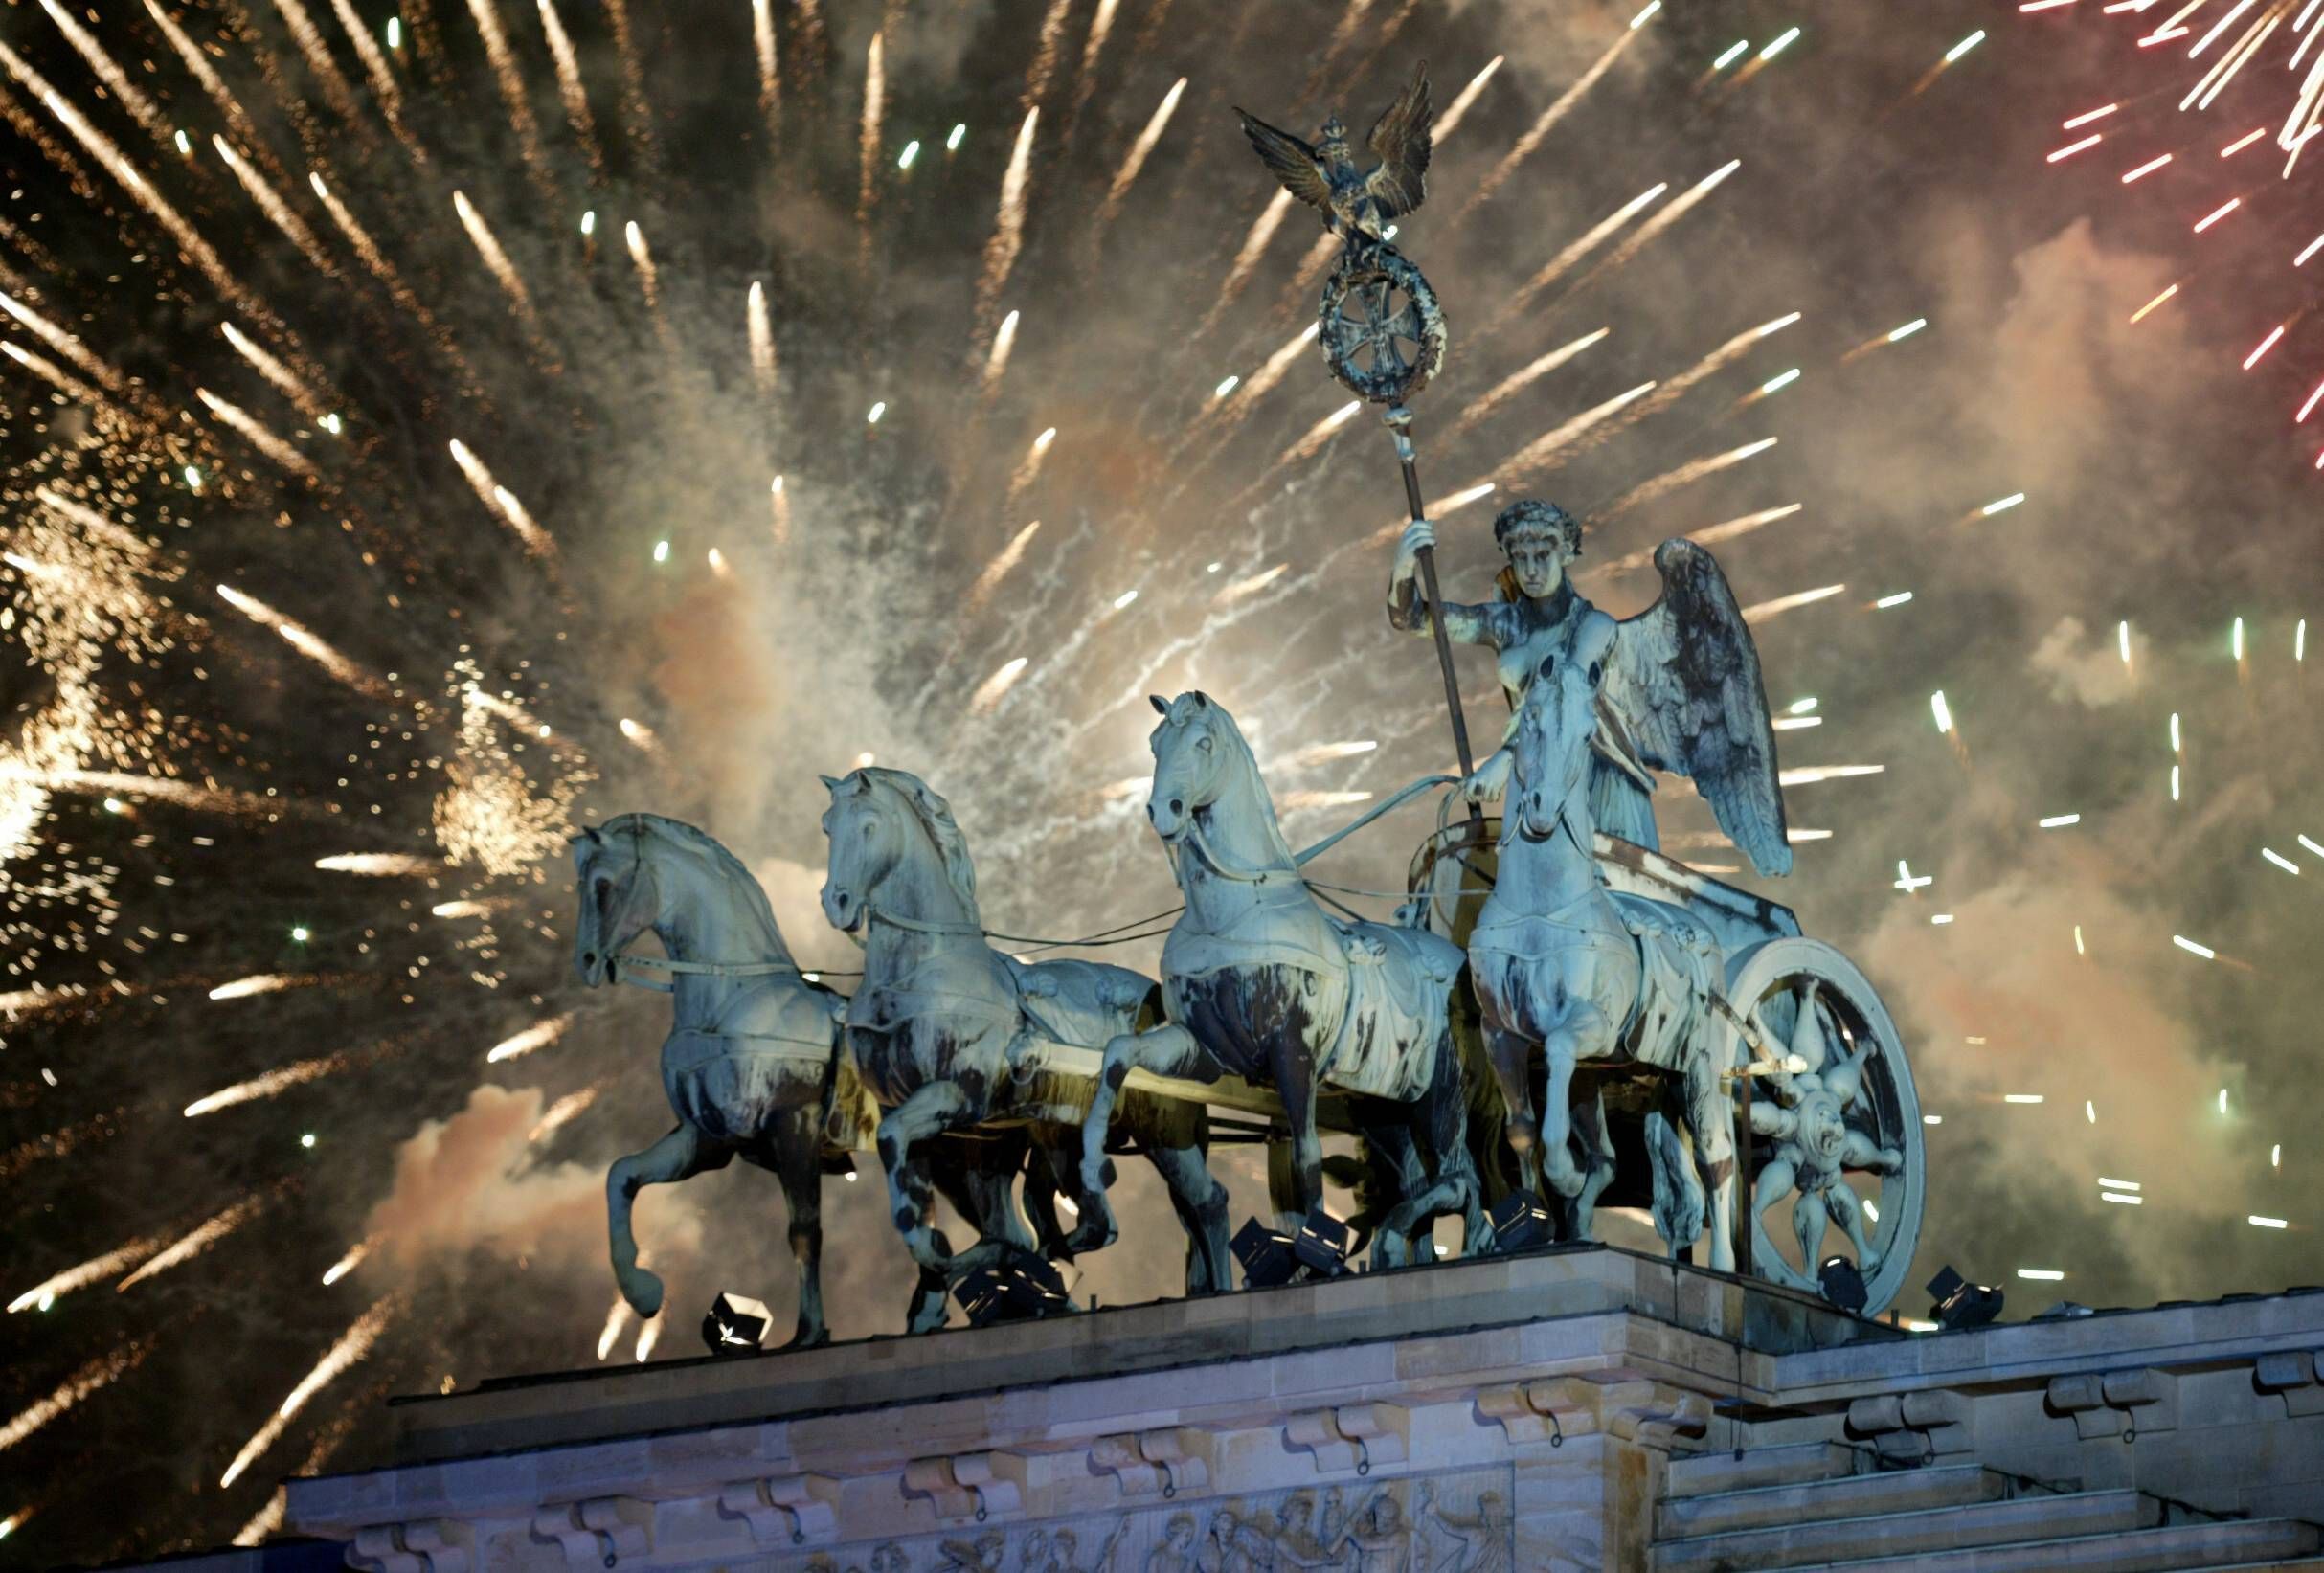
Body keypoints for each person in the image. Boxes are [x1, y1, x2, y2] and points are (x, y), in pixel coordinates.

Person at [1387, 500, 1660, 849]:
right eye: (1520, 558)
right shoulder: (1507, 624)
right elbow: (1414, 619)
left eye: (1542, 556)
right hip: (1534, 778)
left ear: (1567, 555)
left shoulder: (1593, 627)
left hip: (1595, 785)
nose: (1530, 571)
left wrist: (1505, 758)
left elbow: (1562, 699)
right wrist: (1404, 566)